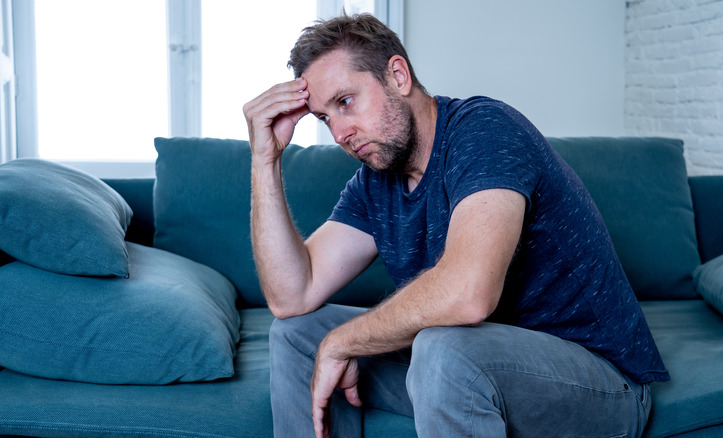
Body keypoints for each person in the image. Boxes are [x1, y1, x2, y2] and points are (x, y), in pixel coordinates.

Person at [243, 13, 669, 438]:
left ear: (397, 75)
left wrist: (343, 341)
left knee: (441, 347)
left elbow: (469, 294)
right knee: (297, 334)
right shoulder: (375, 182)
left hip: (603, 385)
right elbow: (291, 297)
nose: (339, 133)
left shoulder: (484, 130)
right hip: (473, 372)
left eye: (345, 102)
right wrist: (265, 159)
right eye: (324, 118)